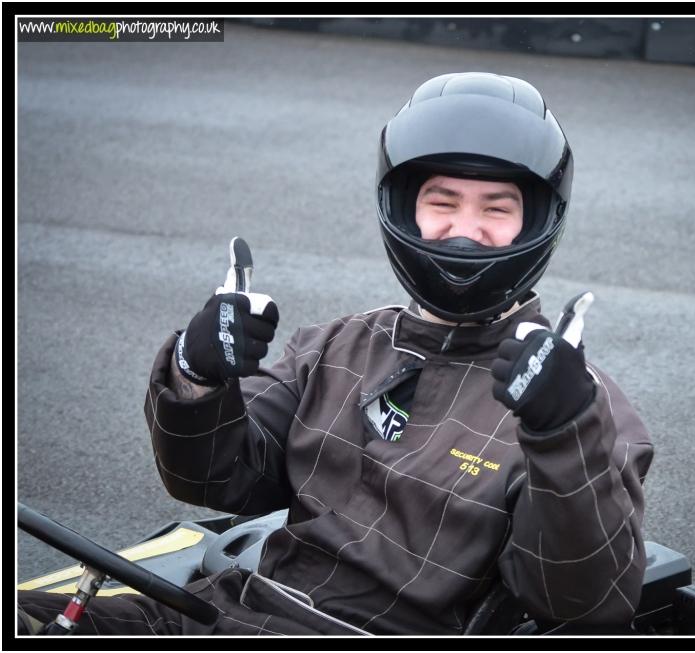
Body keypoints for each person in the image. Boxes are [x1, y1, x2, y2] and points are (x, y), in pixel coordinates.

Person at [18, 71, 653, 636]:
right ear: (404, 208)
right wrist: (196, 370)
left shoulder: (583, 408)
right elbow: (210, 478)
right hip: (224, 607)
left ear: (536, 221)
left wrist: (564, 432)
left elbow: (583, 606)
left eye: (497, 207)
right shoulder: (337, 345)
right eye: (442, 202)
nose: (465, 228)